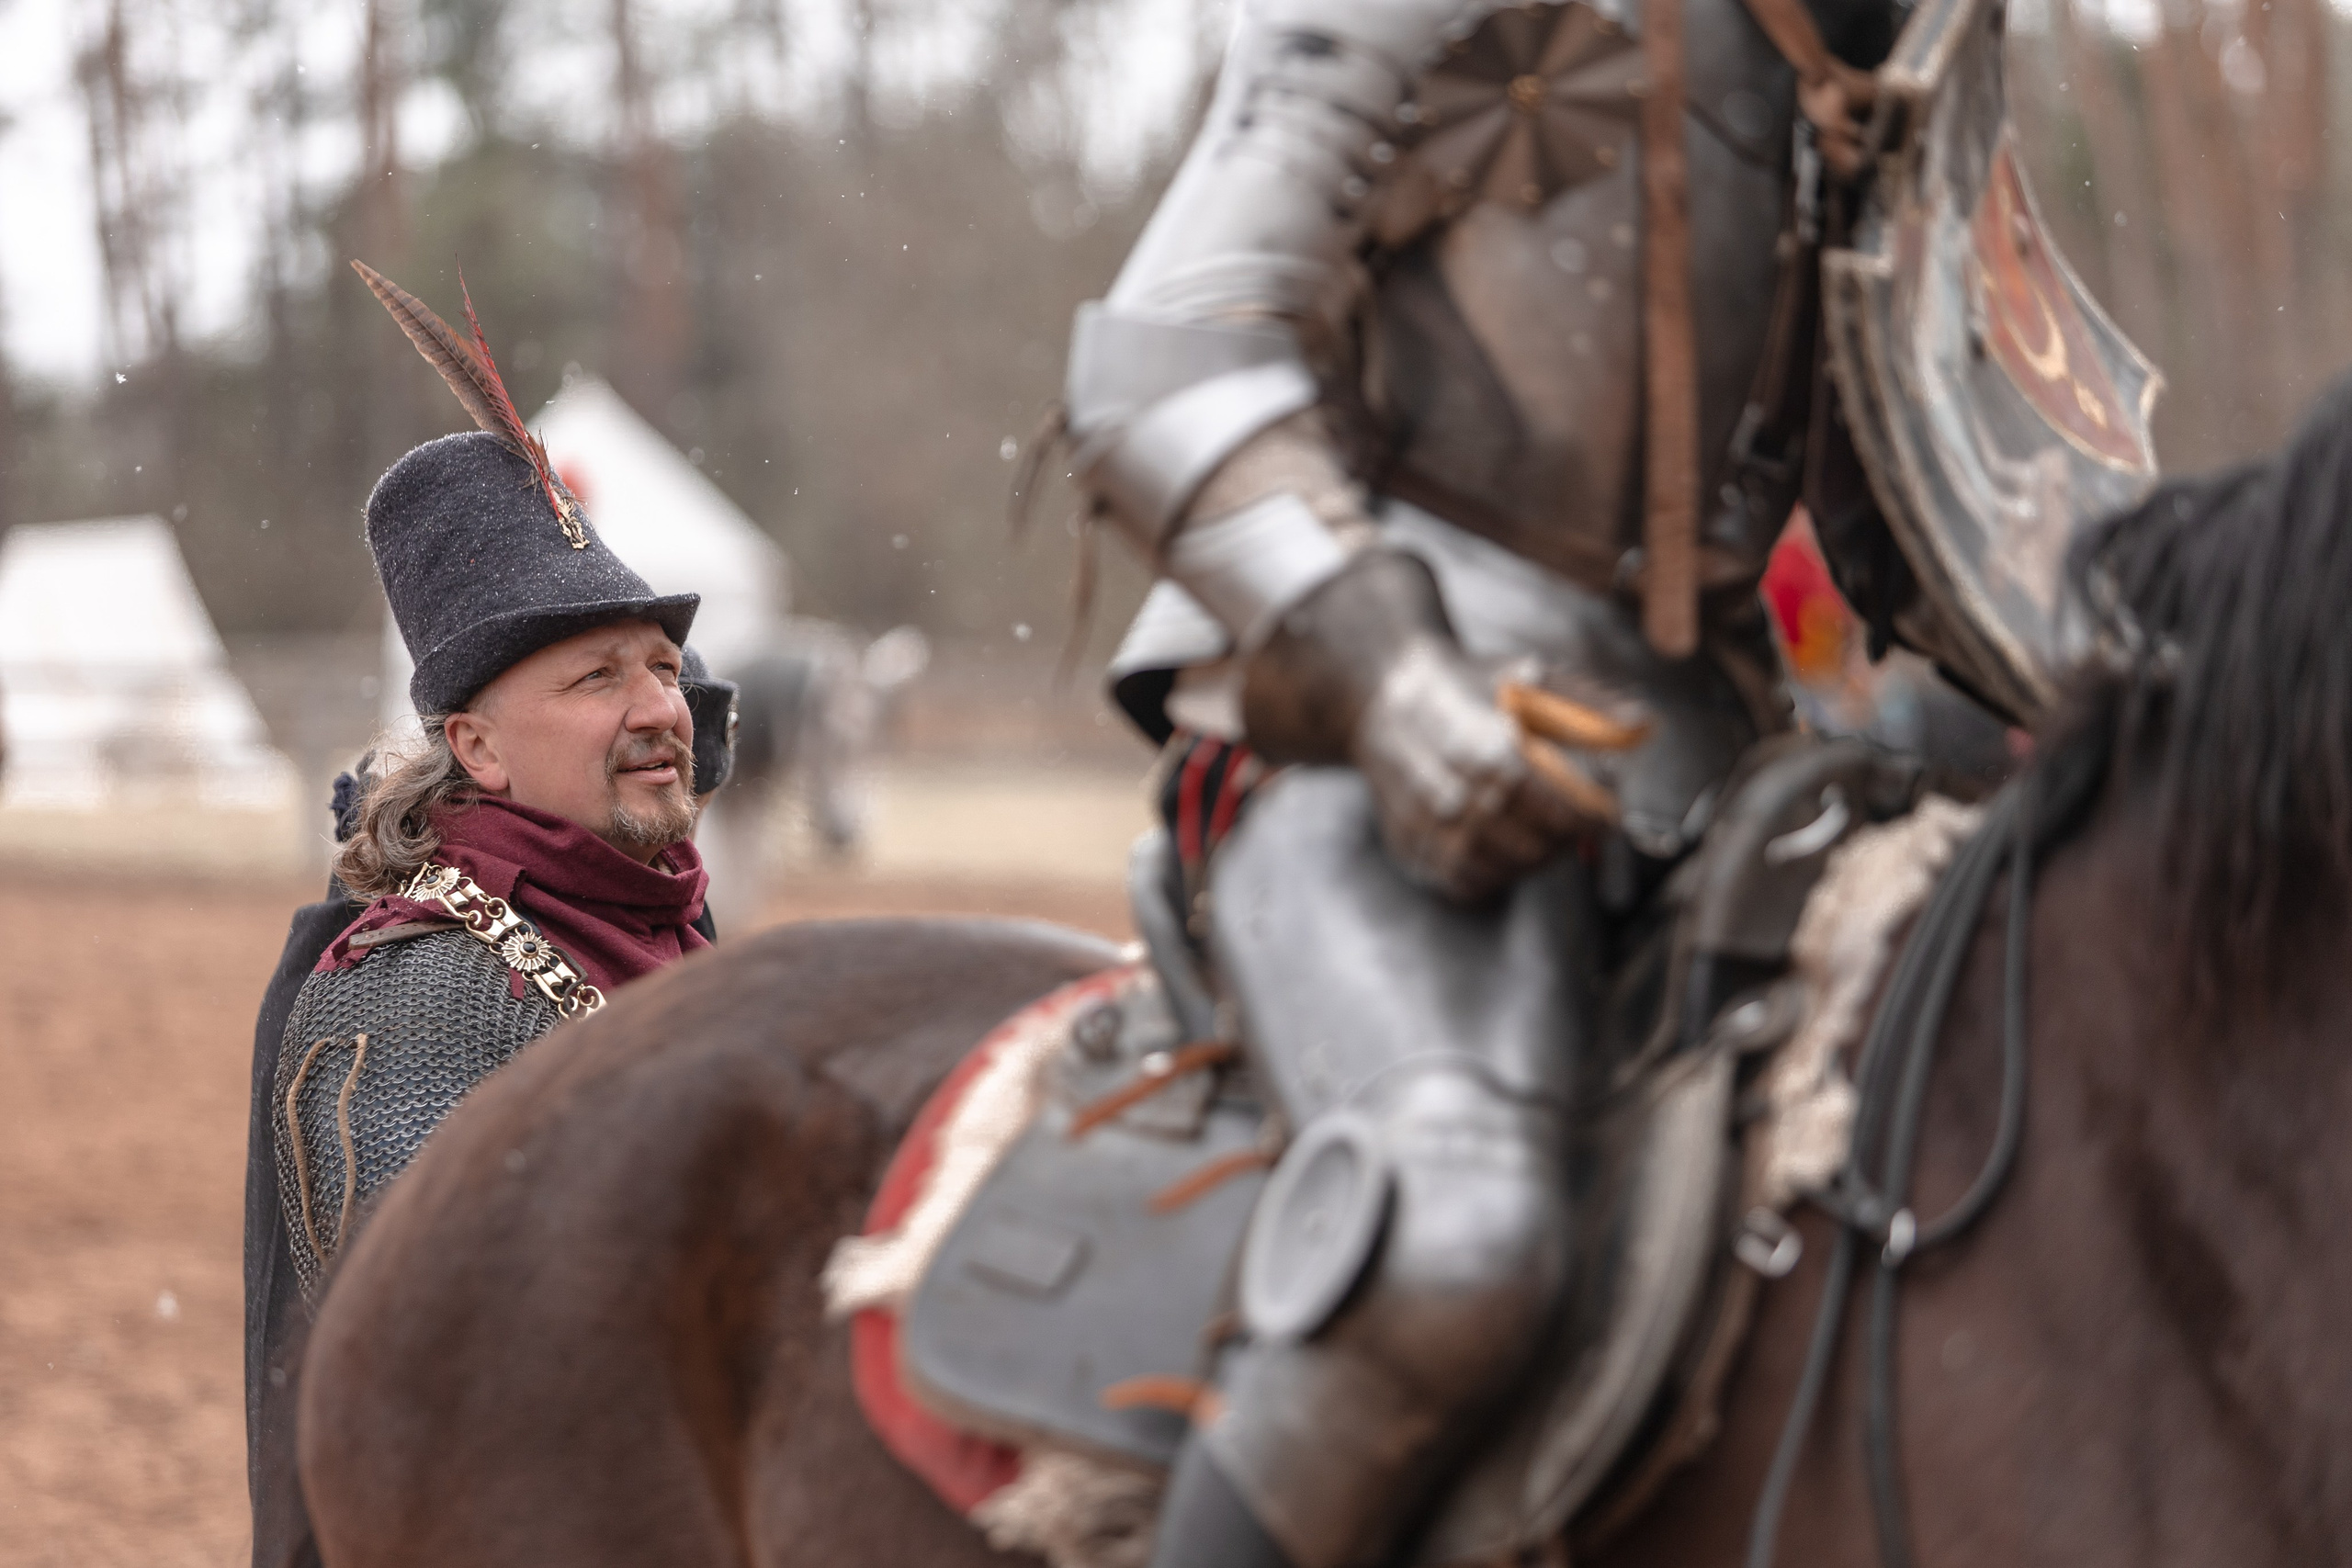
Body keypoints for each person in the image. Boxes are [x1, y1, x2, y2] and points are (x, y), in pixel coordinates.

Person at [1056, 1, 1902, 1564]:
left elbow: (1953, 497)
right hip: (1373, 709)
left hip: (1752, 771)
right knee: (1455, 1244)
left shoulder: (1894, 35)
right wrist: (1389, 675)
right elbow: (1162, 357)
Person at [243, 268, 727, 1568]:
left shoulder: (667, 926)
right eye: (597, 676)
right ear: (480, 748)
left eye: (665, 668)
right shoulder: (421, 991)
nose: (658, 709)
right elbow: (431, 1390)